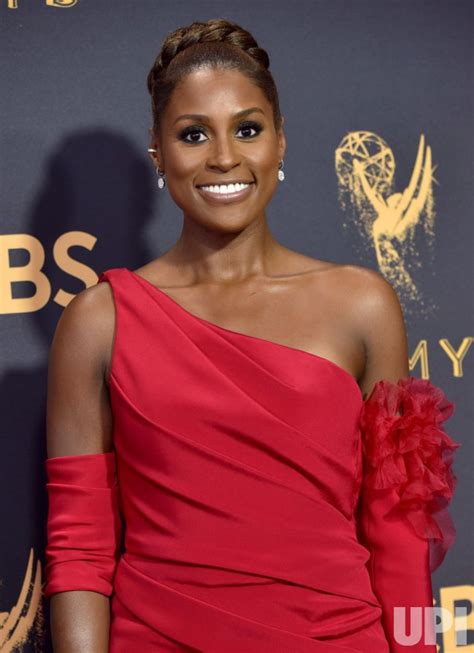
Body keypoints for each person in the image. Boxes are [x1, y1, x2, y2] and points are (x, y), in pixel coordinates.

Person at [43, 18, 461, 653]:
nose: (224, 158)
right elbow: (80, 548)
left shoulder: (362, 304)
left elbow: (402, 534)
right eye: (192, 135)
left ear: (281, 140)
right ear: (159, 152)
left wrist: (419, 648)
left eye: (247, 128)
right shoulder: (101, 320)